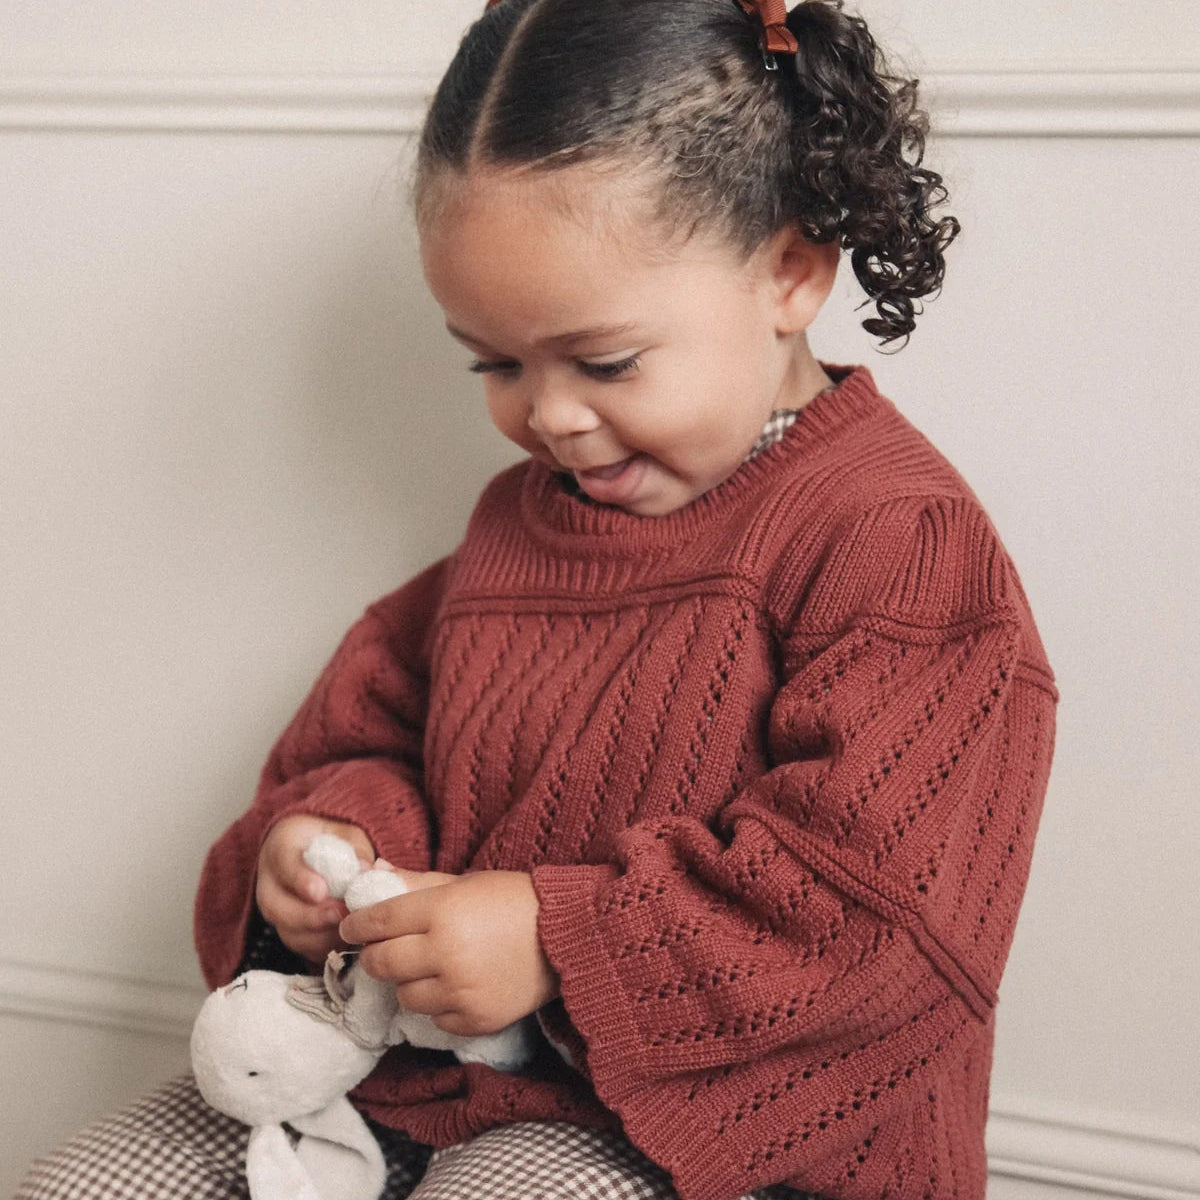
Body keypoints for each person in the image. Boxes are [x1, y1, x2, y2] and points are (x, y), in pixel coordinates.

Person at [18, 1, 1058, 1198]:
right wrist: (333, 849)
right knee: (86, 1183)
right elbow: (371, 733)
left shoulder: (898, 546)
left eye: (604, 363)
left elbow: (880, 919)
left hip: (733, 1132)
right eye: (495, 363)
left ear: (788, 271)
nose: (549, 417)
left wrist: (557, 941)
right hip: (421, 1079)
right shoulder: (516, 522)